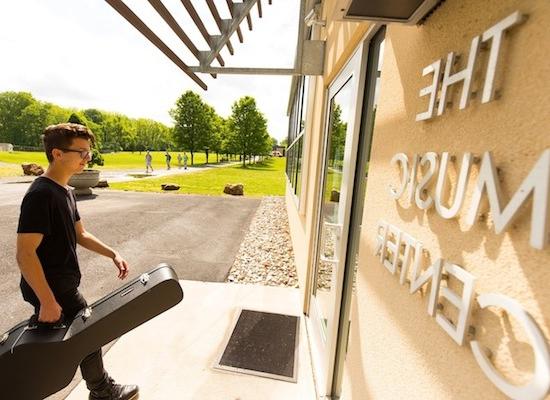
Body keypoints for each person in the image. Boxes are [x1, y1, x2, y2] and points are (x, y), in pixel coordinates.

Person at [16, 123, 139, 400]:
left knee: (50, 344)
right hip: (52, 286)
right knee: (87, 333)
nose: (87, 158)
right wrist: (47, 300)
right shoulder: (41, 195)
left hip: (60, 284)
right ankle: (102, 391)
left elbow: (80, 234)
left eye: (89, 153)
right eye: (81, 152)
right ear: (57, 153)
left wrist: (113, 253)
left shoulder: (64, 191)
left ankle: (19, 386)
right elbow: (25, 253)